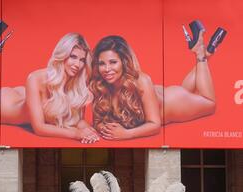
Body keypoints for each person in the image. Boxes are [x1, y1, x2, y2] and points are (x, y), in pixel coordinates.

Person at [0, 16, 99, 144]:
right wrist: (76, 134)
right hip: (6, 105)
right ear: (63, 54)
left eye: (81, 60)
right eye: (73, 57)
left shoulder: (77, 84)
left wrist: (87, 130)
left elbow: (76, 120)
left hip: (21, 96)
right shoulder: (36, 78)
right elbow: (39, 128)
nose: (77, 64)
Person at [90, 22, 226, 140]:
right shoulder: (99, 84)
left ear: (124, 62)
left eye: (113, 62)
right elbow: (97, 121)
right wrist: (104, 127)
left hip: (174, 102)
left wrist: (126, 134)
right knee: (187, 88)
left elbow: (155, 125)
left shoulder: (141, 80)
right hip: (163, 95)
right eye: (102, 63)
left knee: (210, 104)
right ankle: (206, 53)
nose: (106, 69)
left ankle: (201, 55)